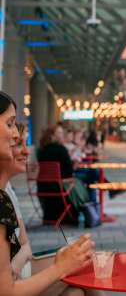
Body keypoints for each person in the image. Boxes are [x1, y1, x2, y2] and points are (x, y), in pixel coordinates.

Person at [0, 91, 97, 296]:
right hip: (58, 191)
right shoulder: (2, 201)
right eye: (10, 124)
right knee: (82, 279)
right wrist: (62, 266)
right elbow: (6, 290)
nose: (23, 148)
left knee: (82, 277)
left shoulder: (5, 195)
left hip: (46, 194)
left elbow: (24, 246)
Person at [37, 126, 90, 224]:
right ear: (53, 135)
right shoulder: (61, 149)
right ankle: (89, 209)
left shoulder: (41, 150)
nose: (62, 135)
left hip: (42, 186)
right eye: (60, 133)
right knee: (81, 182)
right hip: (58, 186)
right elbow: (70, 170)